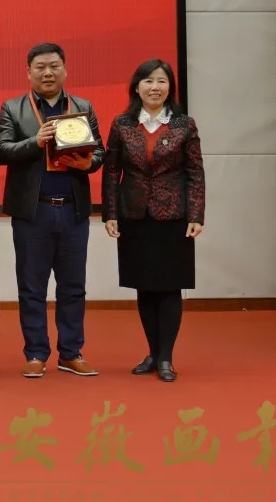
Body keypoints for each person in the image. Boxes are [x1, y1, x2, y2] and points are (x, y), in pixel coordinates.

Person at [0, 42, 104, 379]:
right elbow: (1, 151)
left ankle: (70, 352)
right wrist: (35, 141)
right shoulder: (13, 108)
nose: (47, 73)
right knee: (32, 286)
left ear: (65, 70)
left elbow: (100, 152)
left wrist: (88, 163)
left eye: (54, 66)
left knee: (73, 286)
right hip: (33, 212)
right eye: (40, 67)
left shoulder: (82, 107)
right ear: (28, 72)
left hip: (72, 210)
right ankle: (36, 353)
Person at [102, 59, 205, 383]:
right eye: (148, 81)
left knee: (169, 287)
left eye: (161, 81)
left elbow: (195, 172)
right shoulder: (122, 124)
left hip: (173, 216)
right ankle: (152, 352)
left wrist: (196, 214)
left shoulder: (184, 125)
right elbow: (111, 171)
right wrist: (110, 213)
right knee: (144, 287)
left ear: (170, 87)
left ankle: (166, 358)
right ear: (137, 87)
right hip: (134, 215)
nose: (155, 87)